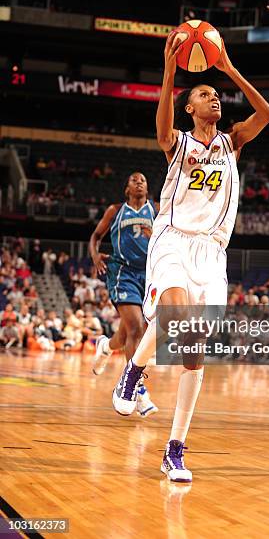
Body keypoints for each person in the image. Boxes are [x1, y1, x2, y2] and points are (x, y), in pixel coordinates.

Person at [111, 31, 269, 482]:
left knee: (193, 351)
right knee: (174, 316)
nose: (214, 98)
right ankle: (136, 368)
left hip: (213, 251)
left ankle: (174, 448)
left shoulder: (233, 141)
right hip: (173, 238)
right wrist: (168, 72)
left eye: (216, 95)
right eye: (205, 94)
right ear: (190, 107)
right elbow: (161, 130)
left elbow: (267, 113)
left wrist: (227, 68)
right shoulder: (180, 142)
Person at [89, 172, 158, 418]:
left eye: (143, 180)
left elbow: (170, 237)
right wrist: (95, 255)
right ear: (127, 188)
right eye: (134, 180)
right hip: (122, 272)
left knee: (129, 332)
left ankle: (106, 346)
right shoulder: (116, 210)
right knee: (137, 328)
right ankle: (136, 388)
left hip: (148, 275)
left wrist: (156, 237)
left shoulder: (157, 210)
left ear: (148, 188)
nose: (139, 182)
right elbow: (96, 237)